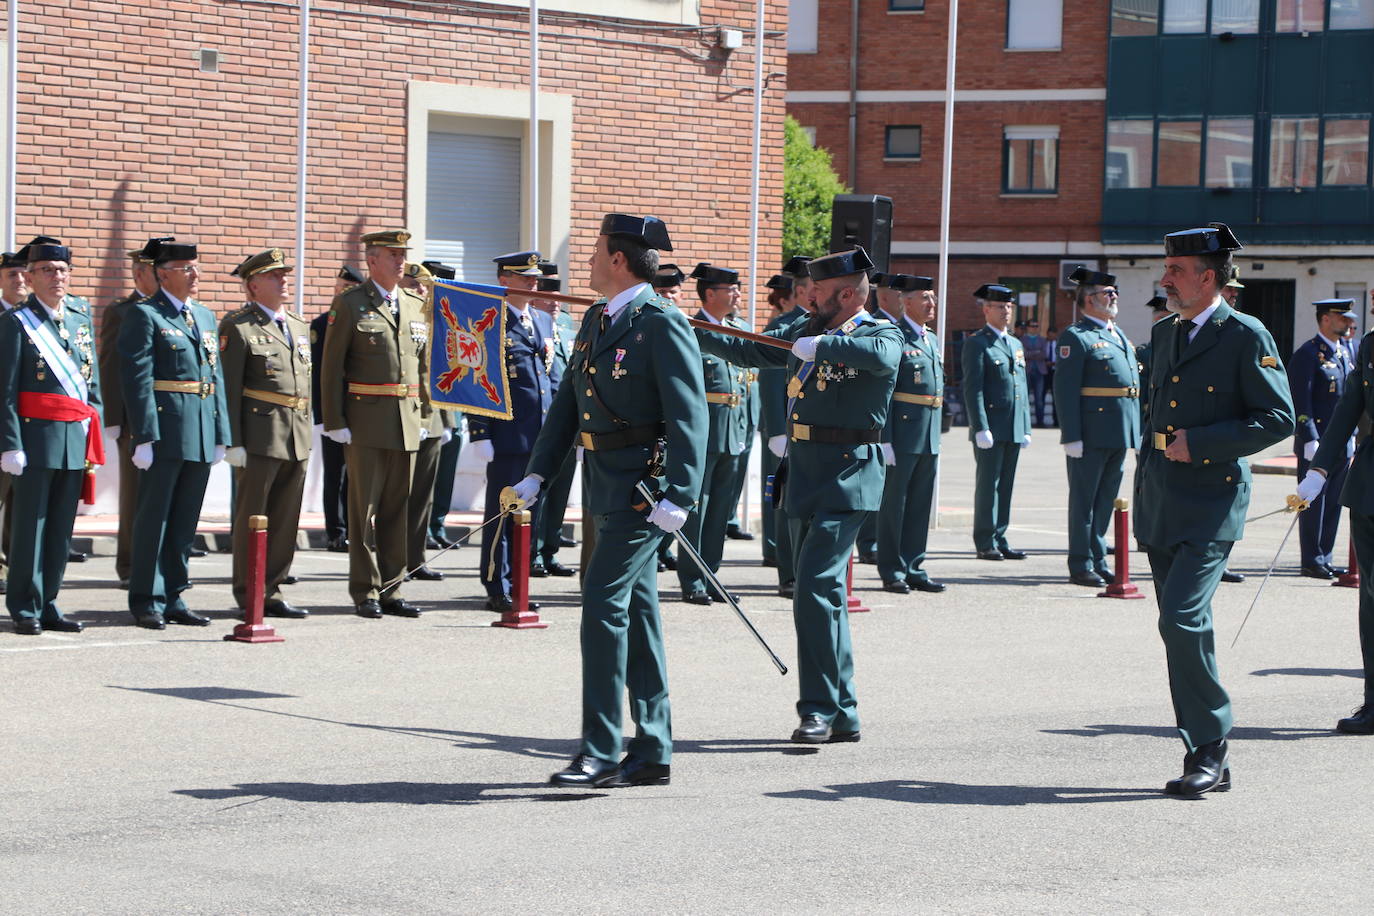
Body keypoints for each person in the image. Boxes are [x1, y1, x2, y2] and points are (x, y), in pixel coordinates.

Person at [512, 213, 706, 788]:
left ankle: (599, 748)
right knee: (638, 612)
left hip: (646, 492)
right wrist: (537, 475)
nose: (589, 262)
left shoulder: (661, 323)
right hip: (603, 482)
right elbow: (569, 405)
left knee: (600, 601)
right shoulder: (600, 318)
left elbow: (689, 416)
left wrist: (682, 493)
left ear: (619, 259)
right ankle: (652, 749)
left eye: (596, 251)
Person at [696, 247, 902, 744]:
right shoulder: (806, 328)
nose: (809, 298)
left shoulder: (878, 331)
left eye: (820, 293)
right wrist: (692, 330)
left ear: (848, 294)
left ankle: (817, 708)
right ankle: (843, 710)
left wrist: (824, 348)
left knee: (813, 588)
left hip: (849, 475)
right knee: (825, 596)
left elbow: (882, 358)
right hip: (804, 472)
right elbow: (750, 348)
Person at [1136, 223, 1293, 796]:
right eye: (1167, 267)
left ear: (1209, 277)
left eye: (1176, 270)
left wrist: (1201, 443)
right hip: (1160, 501)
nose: (1165, 278)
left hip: (1212, 502)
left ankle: (1210, 743)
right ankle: (1204, 751)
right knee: (1174, 629)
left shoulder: (1246, 335)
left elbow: (1278, 418)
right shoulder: (1163, 332)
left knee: (1182, 618)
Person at [118, 240, 230, 629]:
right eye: (185, 268)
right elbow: (138, 380)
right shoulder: (145, 315)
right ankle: (147, 596)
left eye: (195, 267)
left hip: (199, 427)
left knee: (185, 520)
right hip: (165, 429)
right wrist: (144, 435)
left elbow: (214, 376)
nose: (194, 274)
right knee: (154, 518)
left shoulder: (204, 315)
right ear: (163, 273)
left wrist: (221, 432)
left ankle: (175, 594)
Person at [319, 229, 429, 620]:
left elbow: (424, 365)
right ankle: (365, 590)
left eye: (402, 255)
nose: (401, 262)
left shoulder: (416, 304)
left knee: (398, 507)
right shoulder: (349, 304)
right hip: (365, 421)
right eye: (392, 255)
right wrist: (335, 420)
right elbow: (331, 368)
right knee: (363, 510)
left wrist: (428, 415)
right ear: (372, 261)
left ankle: (392, 587)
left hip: (407, 420)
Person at [0, 239, 101, 634]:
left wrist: (94, 428)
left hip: (73, 437)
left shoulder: (79, 316)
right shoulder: (14, 324)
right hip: (33, 438)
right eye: (47, 270)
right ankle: (25, 605)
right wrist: (10, 444)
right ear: (29, 276)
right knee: (30, 527)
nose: (57, 277)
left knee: (61, 528)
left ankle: (50, 601)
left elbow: (90, 382)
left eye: (62, 270)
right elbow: (5, 391)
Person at [219, 247, 312, 620]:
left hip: (296, 434)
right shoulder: (239, 326)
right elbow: (228, 387)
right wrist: (233, 441)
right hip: (259, 435)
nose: (284, 280)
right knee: (252, 518)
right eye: (275, 276)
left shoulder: (298, 325)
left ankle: (272, 588)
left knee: (286, 518)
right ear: (253, 285)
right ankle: (249, 591)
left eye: (284, 274)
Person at [1297, 312, 1374, 735]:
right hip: (1369, 487)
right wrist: (1319, 469)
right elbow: (1350, 407)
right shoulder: (1370, 345)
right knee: (1372, 600)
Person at [468, 251, 556, 612]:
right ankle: (496, 584)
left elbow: (553, 379)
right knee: (503, 515)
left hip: (541, 437)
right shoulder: (489, 321)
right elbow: (477, 378)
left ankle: (520, 584)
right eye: (524, 277)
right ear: (504, 280)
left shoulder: (543, 321)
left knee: (530, 518)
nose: (533, 283)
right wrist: (479, 433)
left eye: (535, 277)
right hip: (507, 437)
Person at [1053, 268, 1141, 588]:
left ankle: (1099, 558)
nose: (1113, 297)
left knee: (1105, 500)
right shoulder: (1076, 337)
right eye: (1107, 293)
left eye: (1114, 292)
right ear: (1088, 300)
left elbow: (1131, 387)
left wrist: (1137, 430)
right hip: (1090, 432)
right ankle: (1080, 562)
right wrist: (1071, 435)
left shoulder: (1117, 334)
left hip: (1119, 430)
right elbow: (1064, 389)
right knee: (1084, 501)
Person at [675, 262, 753, 605]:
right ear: (710, 294)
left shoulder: (740, 328)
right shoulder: (690, 329)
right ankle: (692, 578)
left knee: (722, 508)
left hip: (734, 428)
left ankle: (712, 575)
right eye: (730, 289)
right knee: (697, 508)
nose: (737, 295)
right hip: (703, 431)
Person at [99, 237, 170, 588]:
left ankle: (159, 563)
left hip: (172, 417)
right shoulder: (121, 312)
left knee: (165, 495)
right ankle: (129, 565)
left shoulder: (175, 310)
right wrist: (112, 419)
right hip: (134, 419)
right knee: (135, 495)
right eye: (156, 272)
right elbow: (111, 367)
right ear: (140, 274)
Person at [873, 273, 946, 594]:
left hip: (927, 432)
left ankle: (914, 564)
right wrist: (884, 437)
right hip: (901, 433)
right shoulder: (896, 336)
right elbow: (883, 391)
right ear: (905, 302)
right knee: (895, 505)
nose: (932, 304)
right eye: (925, 298)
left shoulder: (930, 338)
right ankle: (892, 569)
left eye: (933, 298)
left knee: (919, 504)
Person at [1289, 299, 1360, 579]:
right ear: (1325, 319)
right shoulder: (1308, 353)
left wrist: (1352, 434)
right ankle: (1311, 558)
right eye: (1341, 318)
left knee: (1333, 501)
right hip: (1316, 443)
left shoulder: (1344, 352)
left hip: (1341, 442)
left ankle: (1325, 556)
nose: (1347, 323)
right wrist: (1308, 437)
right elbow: (1300, 399)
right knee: (1312, 503)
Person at [963, 284, 1032, 560]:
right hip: (991, 425)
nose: (1006, 312)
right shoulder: (977, 343)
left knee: (1006, 485)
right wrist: (980, 426)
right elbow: (973, 388)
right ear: (986, 309)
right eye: (1000, 307)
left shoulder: (1014, 343)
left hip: (1013, 424)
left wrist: (1025, 425)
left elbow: (1021, 387)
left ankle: (1000, 536)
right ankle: (984, 539)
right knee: (988, 485)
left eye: (1009, 307)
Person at [759, 257, 814, 598]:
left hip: (813, 430)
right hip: (785, 430)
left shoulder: (824, 323)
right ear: (798, 291)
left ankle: (803, 568)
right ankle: (787, 572)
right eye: (810, 288)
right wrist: (777, 430)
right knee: (785, 502)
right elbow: (769, 379)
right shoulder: (787, 324)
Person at [398, 261, 453, 583]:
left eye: (424, 286)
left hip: (429, 419)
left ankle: (415, 559)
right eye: (414, 284)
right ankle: (392, 562)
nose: (421, 291)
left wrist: (445, 419)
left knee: (422, 497)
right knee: (396, 496)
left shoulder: (430, 318)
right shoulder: (396, 316)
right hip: (401, 416)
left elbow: (438, 373)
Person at [529, 259, 577, 577]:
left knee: (561, 491)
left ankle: (550, 549)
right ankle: (531, 552)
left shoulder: (568, 326)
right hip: (540, 421)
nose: (556, 303)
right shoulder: (529, 325)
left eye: (558, 296)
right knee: (539, 492)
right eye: (548, 295)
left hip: (569, 421)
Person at [311, 264, 363, 553]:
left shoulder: (362, 321)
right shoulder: (322, 324)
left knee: (357, 477)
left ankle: (355, 530)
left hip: (359, 411)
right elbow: (320, 373)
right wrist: (322, 416)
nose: (343, 293)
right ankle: (336, 531)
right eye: (341, 288)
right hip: (333, 412)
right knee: (336, 474)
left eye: (349, 289)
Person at [421, 259, 464, 552]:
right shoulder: (420, 318)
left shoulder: (454, 320)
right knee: (422, 477)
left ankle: (438, 524)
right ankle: (421, 529)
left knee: (446, 473)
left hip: (453, 407)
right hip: (427, 409)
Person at [647, 263, 688, 573]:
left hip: (680, 428)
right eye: (661, 292)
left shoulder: (683, 327)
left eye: (672, 292)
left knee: (676, 494)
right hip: (653, 429)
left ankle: (666, 548)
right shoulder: (647, 326)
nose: (667, 297)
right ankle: (655, 551)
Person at [0, 249, 32, 593]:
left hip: (30, 424)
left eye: (24, 274)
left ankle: (13, 562)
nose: (20, 281)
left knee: (21, 501)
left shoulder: (35, 318)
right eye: (12, 275)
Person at [1023, 318, 1049, 427]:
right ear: (1028, 327)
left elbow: (1044, 355)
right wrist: (1036, 352)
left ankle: (1040, 421)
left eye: (1036, 326)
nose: (1034, 328)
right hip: (1027, 371)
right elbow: (1023, 354)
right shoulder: (1022, 339)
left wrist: (1030, 353)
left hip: (1039, 371)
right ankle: (1025, 422)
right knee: (1025, 398)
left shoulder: (1043, 340)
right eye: (1032, 326)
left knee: (1039, 399)